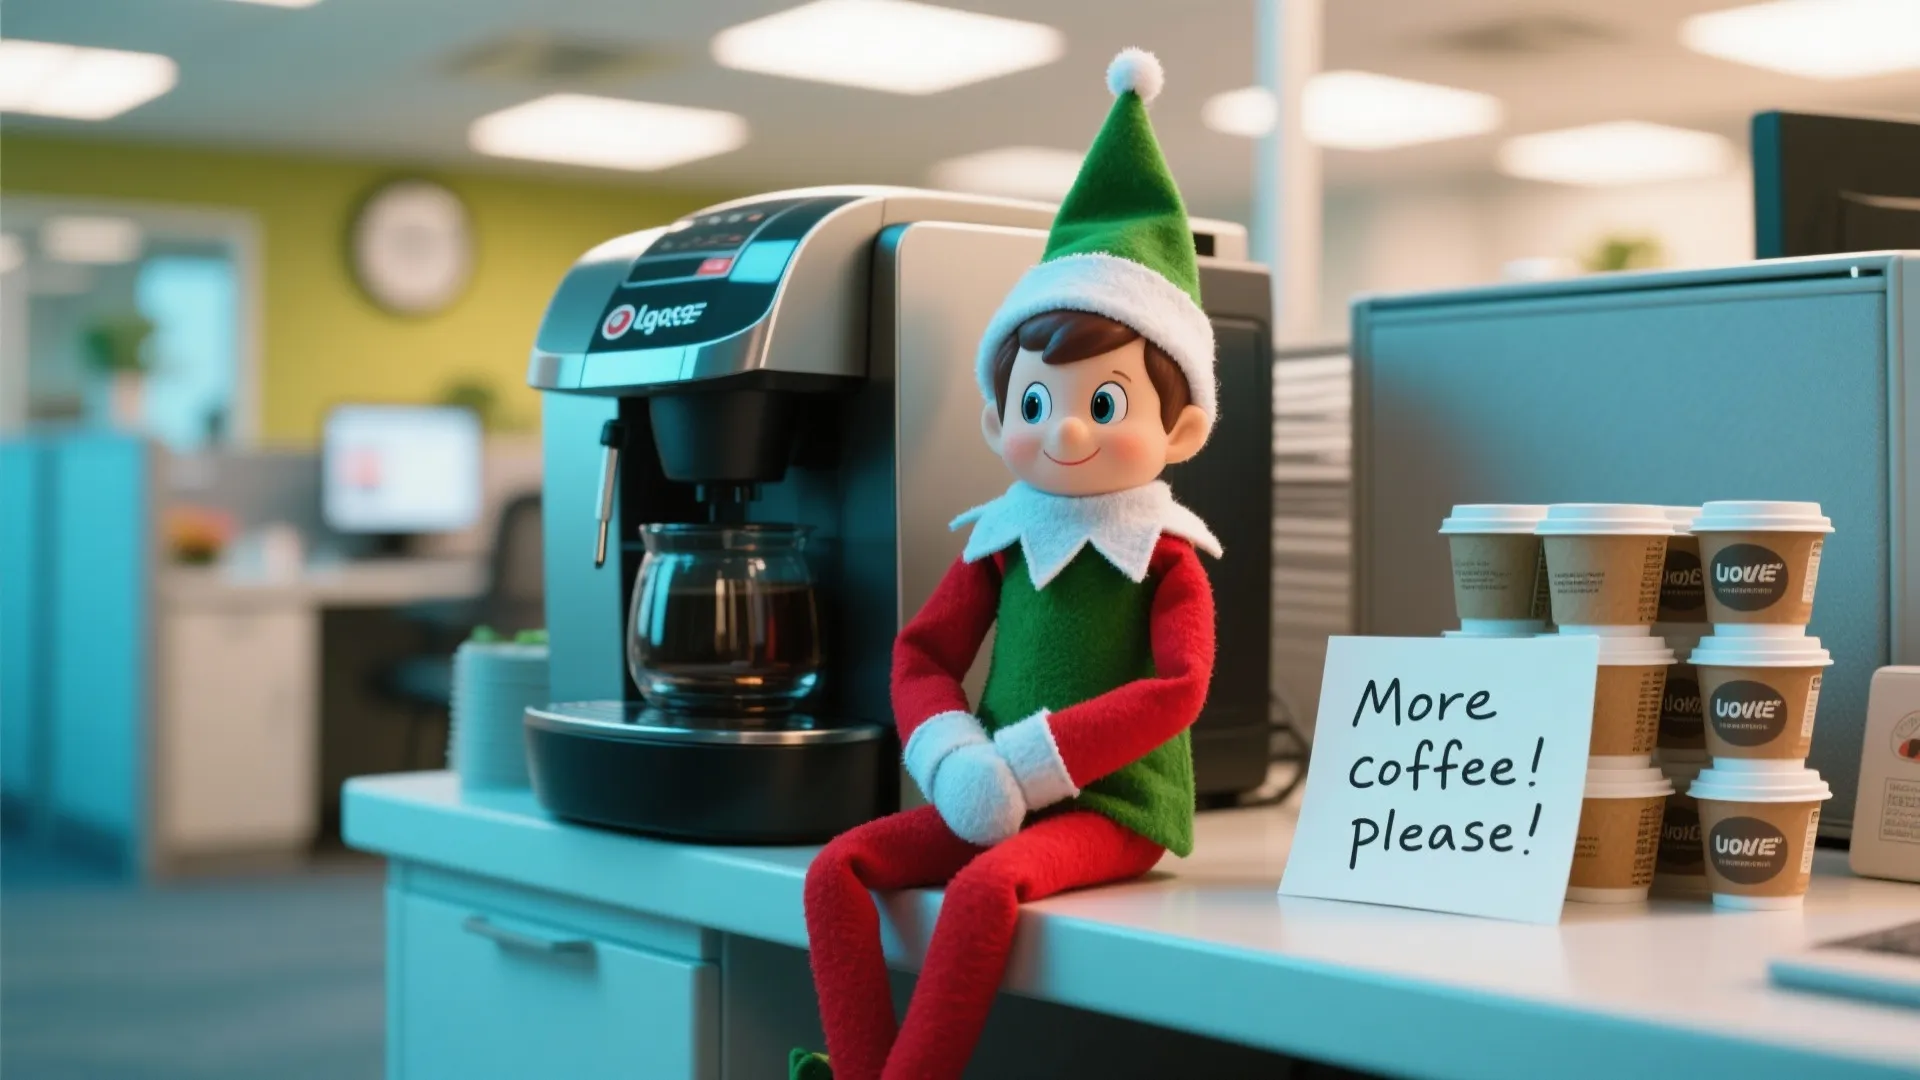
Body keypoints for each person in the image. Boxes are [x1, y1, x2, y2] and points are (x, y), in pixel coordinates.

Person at [792, 46, 1221, 1080]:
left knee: (986, 892)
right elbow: (922, 654)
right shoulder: (1001, 538)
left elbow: (1179, 689)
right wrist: (949, 758)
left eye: (1103, 402)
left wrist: (1024, 764)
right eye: (1039, 401)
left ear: (1184, 426)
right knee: (837, 869)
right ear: (1000, 412)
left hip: (1114, 808)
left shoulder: (1164, 555)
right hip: (990, 786)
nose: (1065, 430)